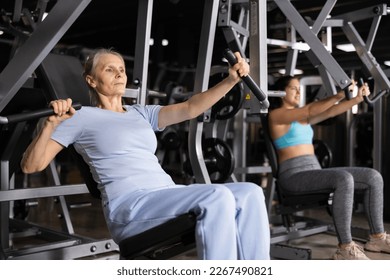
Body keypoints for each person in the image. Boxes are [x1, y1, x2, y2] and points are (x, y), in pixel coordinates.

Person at [20, 48, 270, 260]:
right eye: (109, 69)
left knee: (251, 193)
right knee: (217, 196)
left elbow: (191, 107)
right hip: (130, 207)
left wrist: (231, 81)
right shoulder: (79, 116)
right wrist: (50, 125)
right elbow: (31, 166)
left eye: (121, 68)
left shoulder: (140, 112)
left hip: (165, 194)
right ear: (91, 81)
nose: (119, 73)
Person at [268, 75, 390, 260]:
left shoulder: (302, 118)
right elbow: (309, 110)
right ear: (280, 92)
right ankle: (345, 247)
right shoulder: (276, 115)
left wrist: (357, 98)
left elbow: (331, 112)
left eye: (299, 87)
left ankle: (377, 237)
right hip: (294, 175)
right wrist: (339, 94)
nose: (299, 91)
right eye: (293, 88)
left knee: (373, 177)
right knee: (343, 178)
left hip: (313, 171)